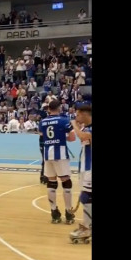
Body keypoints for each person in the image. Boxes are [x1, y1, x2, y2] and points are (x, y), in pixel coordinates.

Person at [40, 100, 77, 224]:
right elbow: (72, 138)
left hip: (47, 154)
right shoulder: (63, 120)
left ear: (49, 109)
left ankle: (54, 213)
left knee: (51, 182)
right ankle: (68, 212)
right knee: (66, 181)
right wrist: (62, 137)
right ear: (59, 108)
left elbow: (42, 136)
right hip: (59, 153)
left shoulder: (43, 121)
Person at [70, 103, 92, 242]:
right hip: (85, 167)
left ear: (84, 114)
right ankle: (86, 226)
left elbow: (84, 137)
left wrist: (74, 125)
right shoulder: (86, 127)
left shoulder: (87, 129)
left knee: (86, 197)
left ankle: (87, 228)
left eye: (77, 114)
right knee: (87, 197)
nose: (76, 117)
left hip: (90, 168)